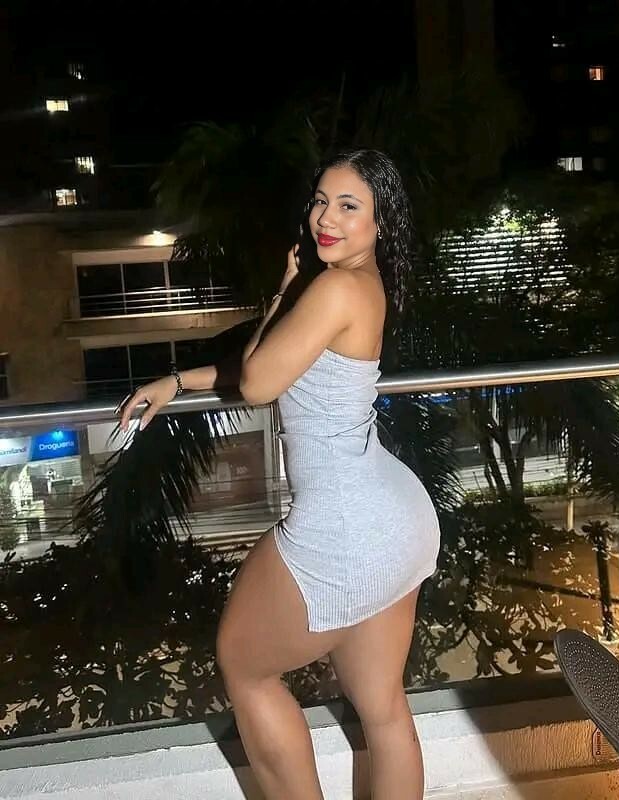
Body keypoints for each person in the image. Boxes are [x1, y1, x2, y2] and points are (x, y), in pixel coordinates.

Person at [118, 148, 441, 800]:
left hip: (345, 524)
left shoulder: (335, 287)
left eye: (348, 206)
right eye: (321, 200)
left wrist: (279, 294)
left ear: (381, 222)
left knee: (245, 667)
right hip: (394, 517)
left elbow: (260, 380)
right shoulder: (360, 283)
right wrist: (179, 381)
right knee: (382, 709)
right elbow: (281, 366)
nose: (326, 218)